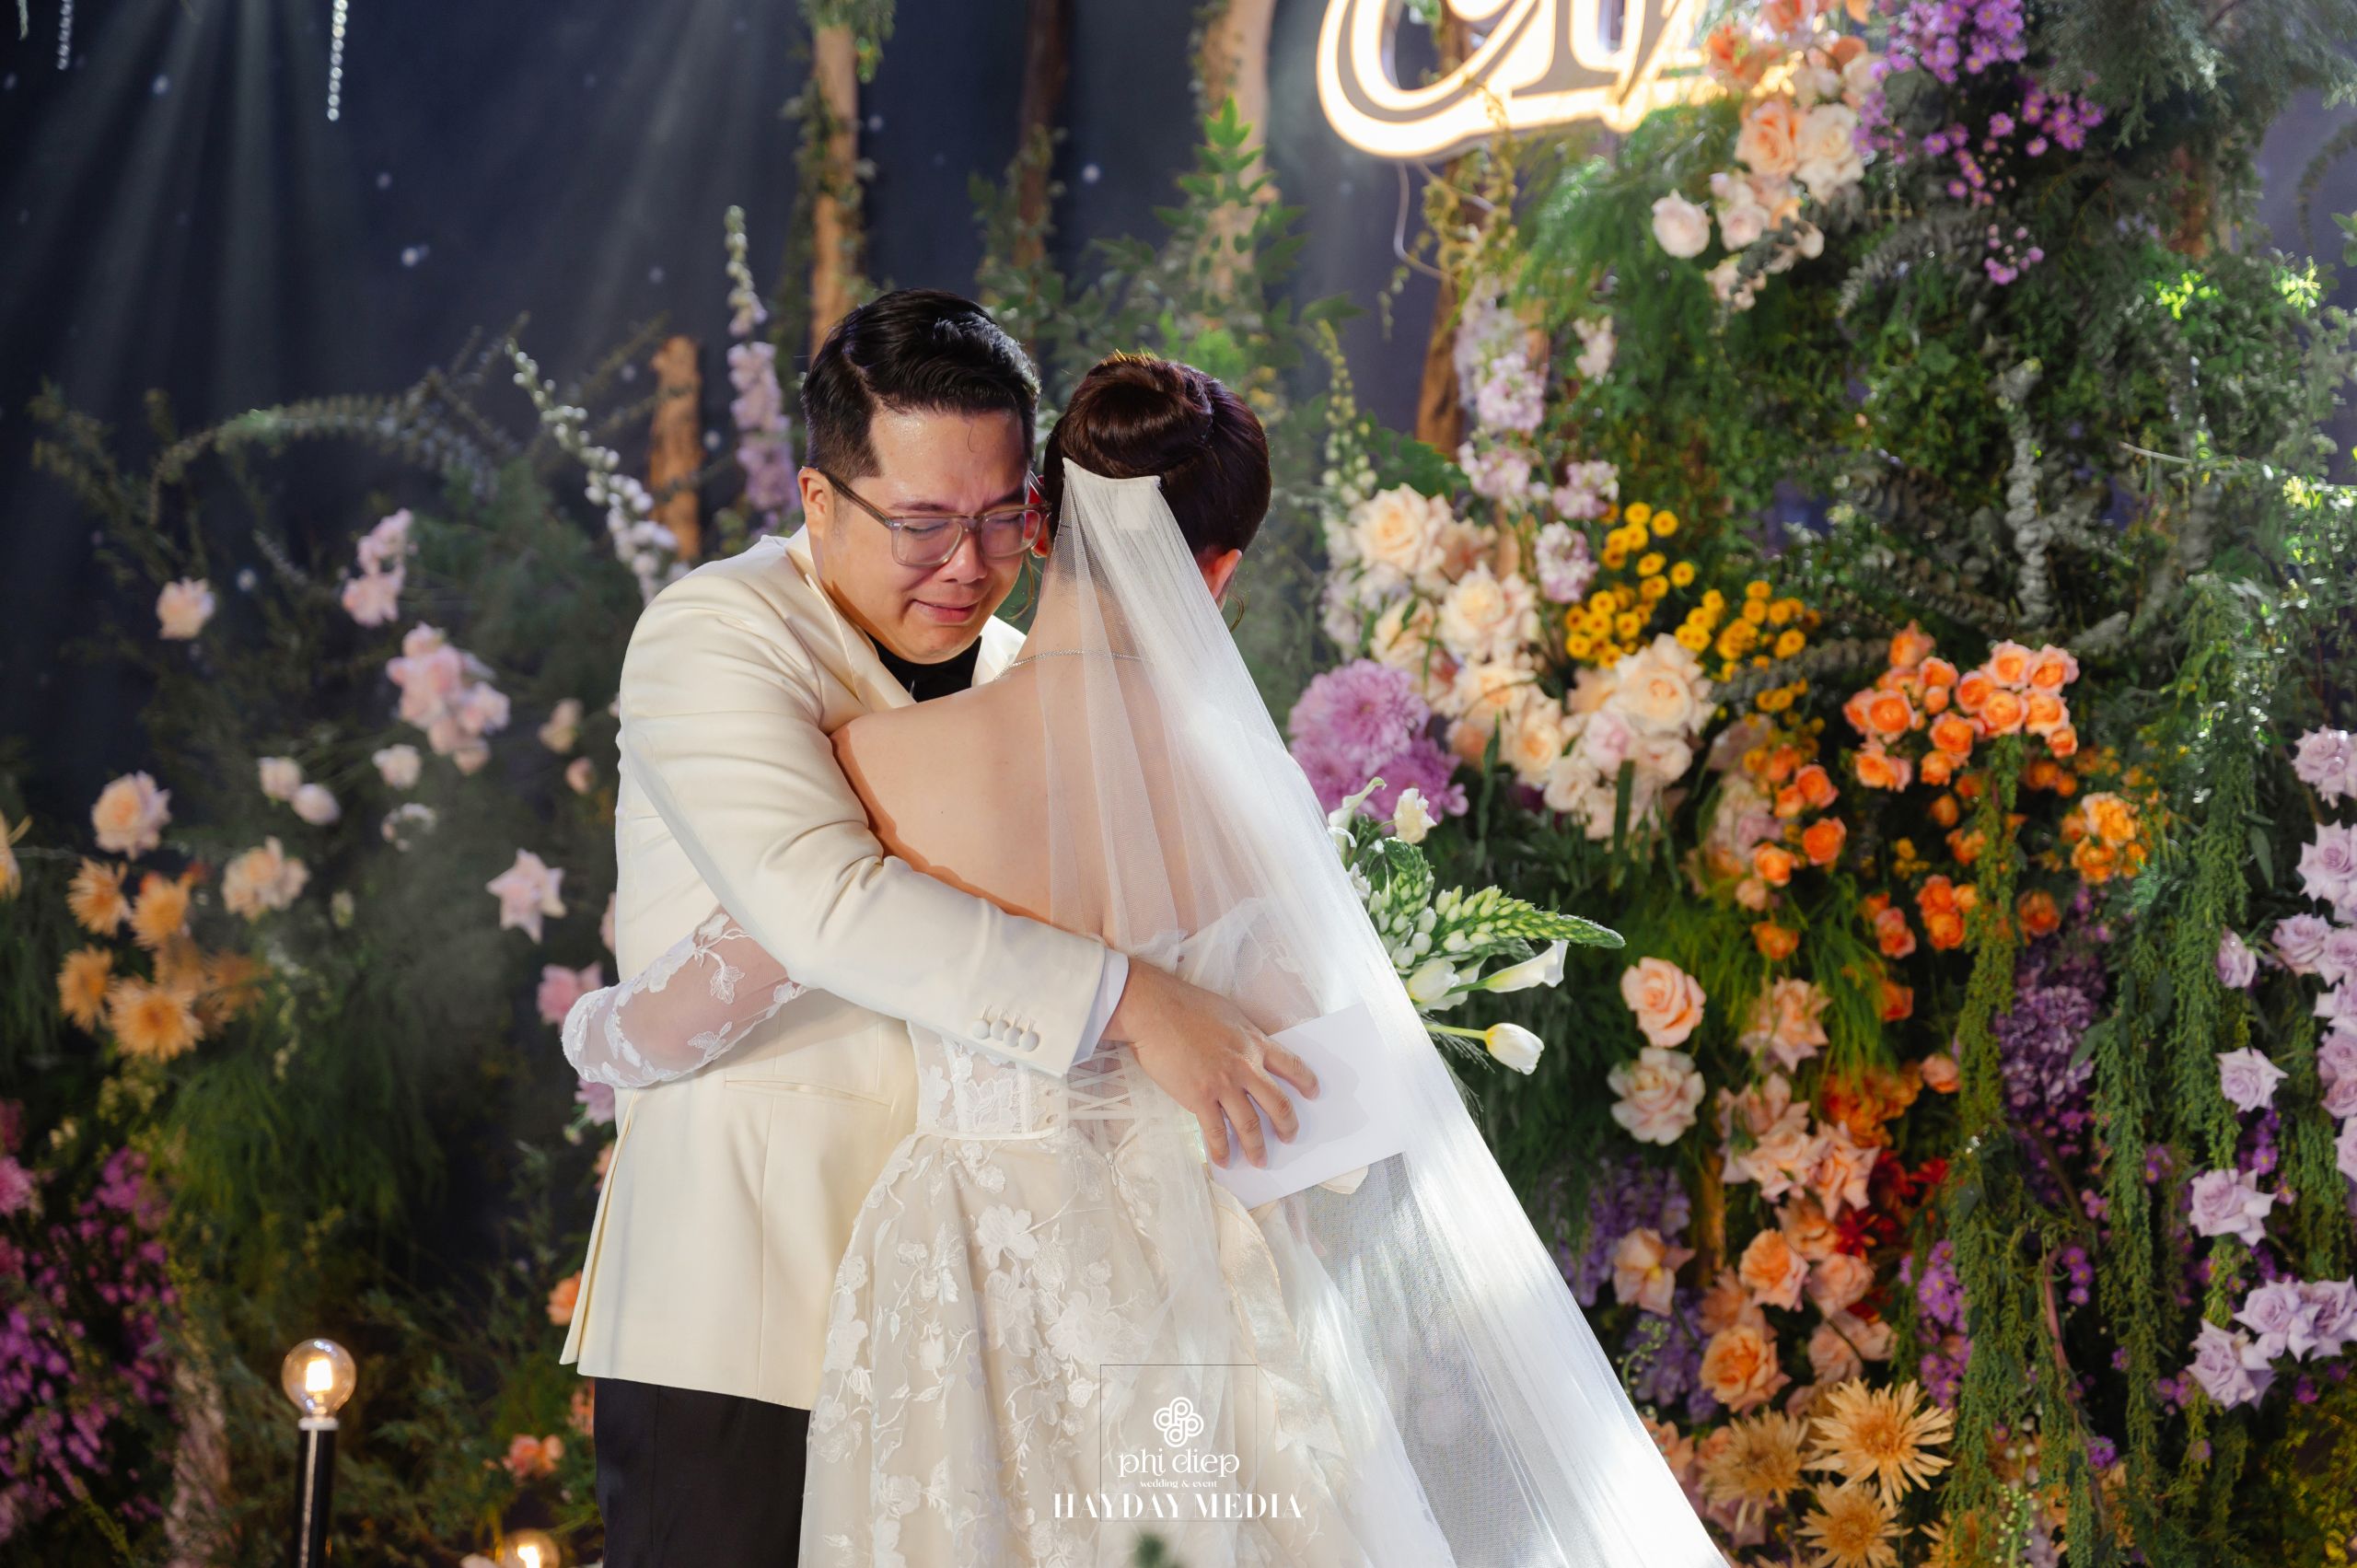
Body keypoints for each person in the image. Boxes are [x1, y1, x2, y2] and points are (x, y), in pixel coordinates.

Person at [568, 354, 1725, 1567]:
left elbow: (732, 977)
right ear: (1216, 571)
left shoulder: (888, 768)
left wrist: (596, 1034)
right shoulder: (1255, 799)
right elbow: (1326, 1124)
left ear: (1040, 524)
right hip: (1210, 1297)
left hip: (971, 1275)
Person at [559, 293, 1318, 1568]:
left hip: (977, 1320)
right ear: (818, 498)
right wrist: (1135, 1000)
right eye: (921, 524)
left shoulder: (1028, 671)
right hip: (750, 1297)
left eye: (999, 518)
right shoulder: (717, 633)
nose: (966, 565)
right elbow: (822, 902)